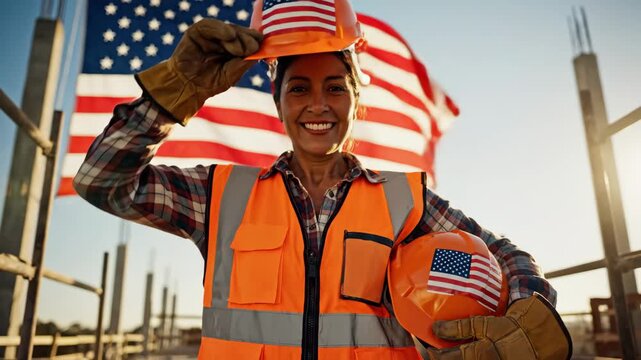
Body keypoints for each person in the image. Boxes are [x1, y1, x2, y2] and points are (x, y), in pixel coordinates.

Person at [73, 2, 571, 359]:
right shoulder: (220, 195)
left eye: (335, 87)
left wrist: (530, 302)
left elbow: (502, 254)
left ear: (357, 100)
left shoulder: (408, 203)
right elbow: (102, 182)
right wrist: (170, 96)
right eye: (299, 89)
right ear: (279, 103)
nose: (318, 105)